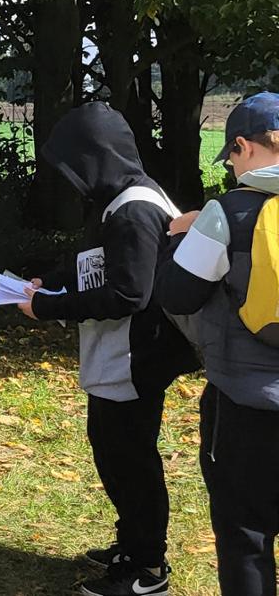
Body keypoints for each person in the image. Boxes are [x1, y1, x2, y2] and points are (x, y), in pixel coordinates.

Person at [21, 101, 197, 596]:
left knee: (132, 461)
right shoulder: (118, 199)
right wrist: (54, 281)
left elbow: (128, 293)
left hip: (136, 357)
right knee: (111, 450)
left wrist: (50, 307)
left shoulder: (134, 209)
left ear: (94, 156)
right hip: (120, 356)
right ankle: (131, 543)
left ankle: (148, 568)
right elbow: (98, 261)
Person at [158, 92, 279, 596]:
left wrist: (184, 235)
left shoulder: (226, 213)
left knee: (245, 535)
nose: (231, 167)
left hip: (246, 406)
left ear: (243, 147)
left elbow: (176, 294)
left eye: (230, 157)